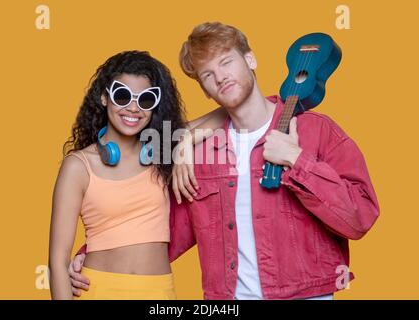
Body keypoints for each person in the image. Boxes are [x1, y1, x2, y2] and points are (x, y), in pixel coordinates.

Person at [69, 22, 380, 300]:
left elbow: (360, 217)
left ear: (250, 59)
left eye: (226, 62)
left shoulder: (316, 130)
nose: (220, 77)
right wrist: (93, 253)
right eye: (208, 74)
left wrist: (296, 161)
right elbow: (164, 228)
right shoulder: (202, 154)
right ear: (204, 89)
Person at [49, 50, 191, 300]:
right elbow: (58, 261)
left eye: (146, 99)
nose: (134, 108)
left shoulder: (162, 153)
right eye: (123, 96)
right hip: (100, 289)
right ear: (105, 98)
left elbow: (224, 117)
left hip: (159, 292)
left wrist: (187, 138)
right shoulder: (78, 166)